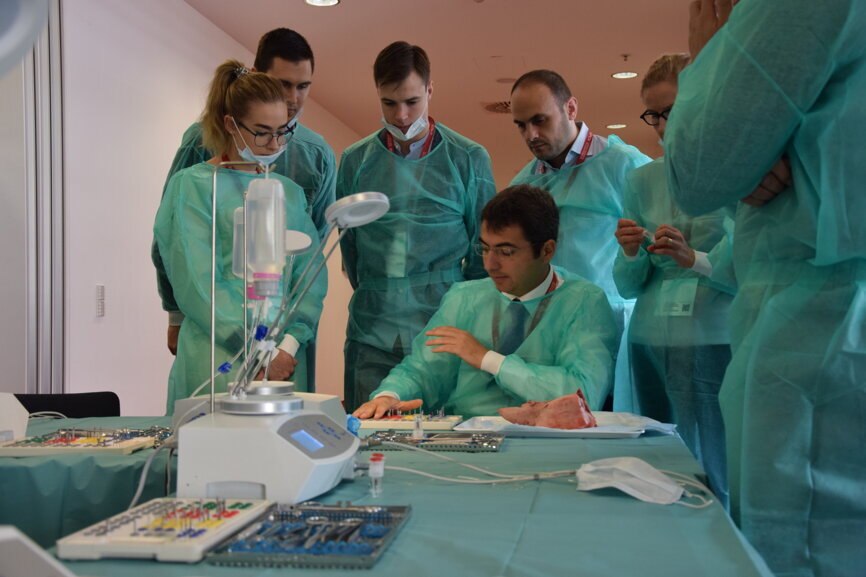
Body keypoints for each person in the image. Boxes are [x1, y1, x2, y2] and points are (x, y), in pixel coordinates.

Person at [665, 0, 866, 574]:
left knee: (800, 551)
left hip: (822, 336)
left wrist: (709, 55)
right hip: (826, 318)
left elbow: (700, 168)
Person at [153, 28, 336, 370]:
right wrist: (178, 316)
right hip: (217, 349)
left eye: (282, 133)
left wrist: (288, 345)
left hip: (281, 349)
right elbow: (188, 270)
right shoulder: (193, 183)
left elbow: (308, 269)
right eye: (262, 133)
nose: (275, 145)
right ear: (231, 124)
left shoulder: (294, 186)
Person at [353, 185, 617, 420]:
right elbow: (422, 370)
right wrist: (390, 395)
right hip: (466, 436)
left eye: (506, 252)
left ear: (547, 250)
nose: (490, 264)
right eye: (485, 249)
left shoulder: (584, 302)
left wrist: (488, 360)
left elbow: (583, 395)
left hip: (549, 440)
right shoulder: (464, 298)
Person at [338, 41, 496, 412]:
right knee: (368, 429)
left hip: (443, 325)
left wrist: (463, 311)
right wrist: (379, 291)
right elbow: (350, 247)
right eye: (389, 103)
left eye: (412, 101)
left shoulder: (467, 158)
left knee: (441, 434)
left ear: (430, 89)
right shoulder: (356, 161)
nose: (402, 115)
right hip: (371, 328)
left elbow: (484, 251)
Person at [613, 53, 735, 506]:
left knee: (716, 464)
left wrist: (693, 258)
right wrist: (631, 251)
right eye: (654, 115)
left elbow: (752, 265)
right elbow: (628, 285)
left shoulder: (737, 169)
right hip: (650, 338)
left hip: (714, 336)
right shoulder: (642, 179)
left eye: (672, 111)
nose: (662, 126)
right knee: (659, 464)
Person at [508, 70, 651, 405]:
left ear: (570, 108)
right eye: (521, 125)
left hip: (615, 329)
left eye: (540, 120)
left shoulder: (625, 166)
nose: (531, 134)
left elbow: (657, 250)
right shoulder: (522, 186)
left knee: (618, 422)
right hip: (550, 336)